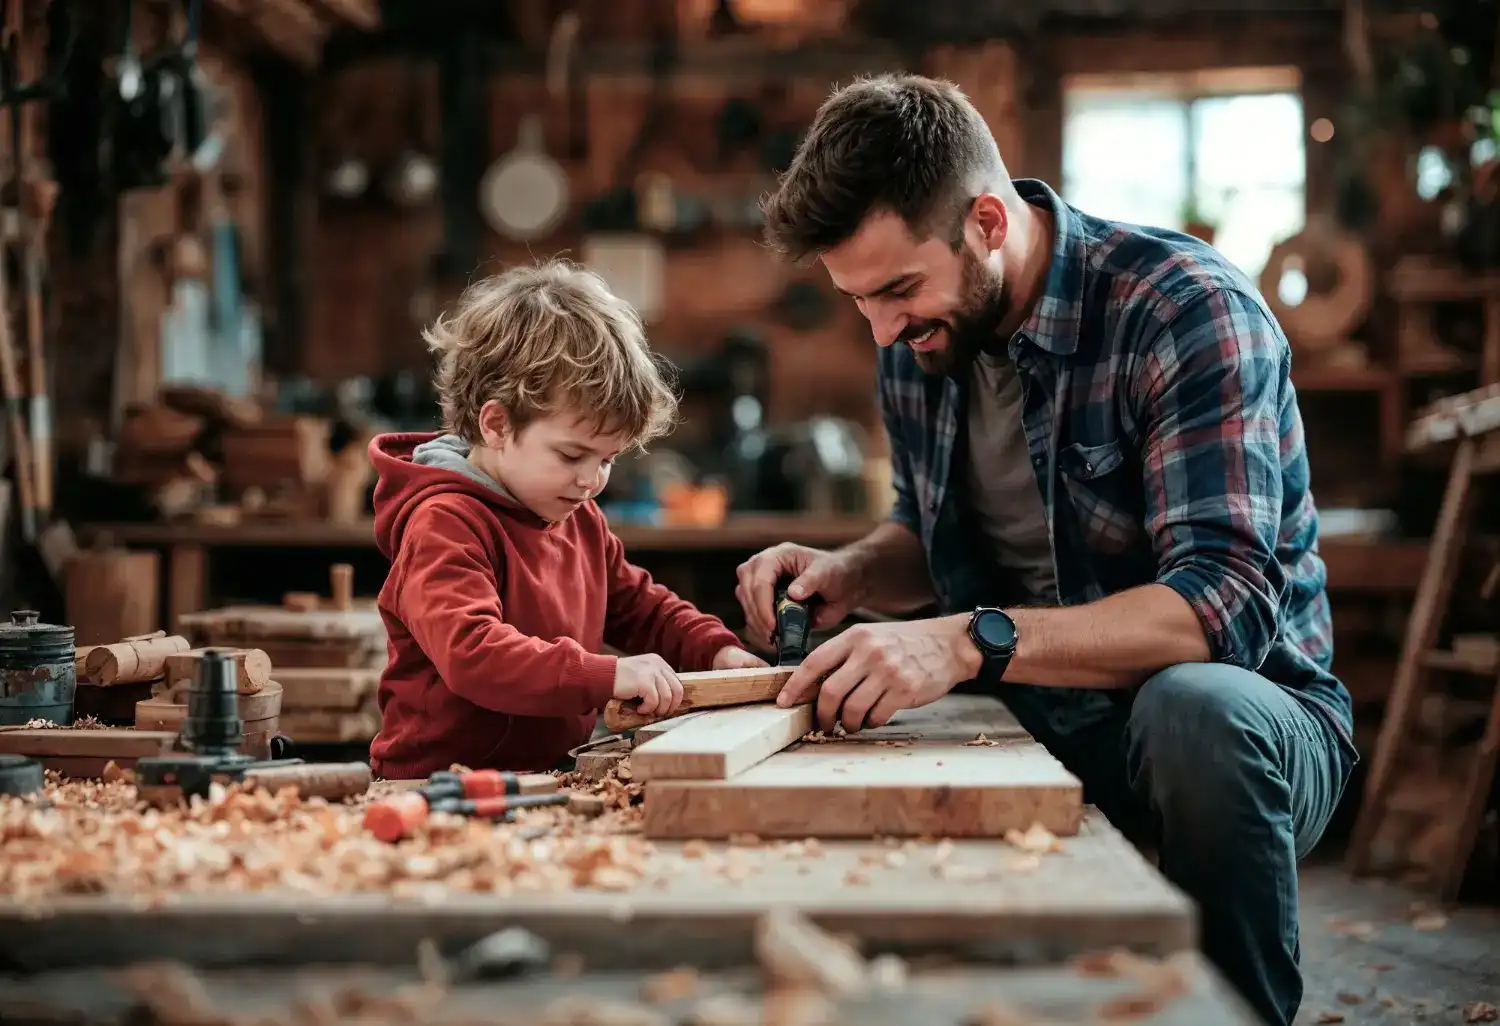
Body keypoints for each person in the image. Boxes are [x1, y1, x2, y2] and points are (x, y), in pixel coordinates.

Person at [735, 73, 1357, 1026]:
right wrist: (852, 573)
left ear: (988, 220)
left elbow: (1218, 606)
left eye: (898, 289)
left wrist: (965, 640)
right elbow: (932, 532)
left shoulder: (1183, 311)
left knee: (1197, 711)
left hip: (1249, 721)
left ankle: (1238, 1009)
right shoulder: (919, 340)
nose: (884, 329)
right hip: (1046, 707)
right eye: (859, 300)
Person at [368, 259, 765, 780]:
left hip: (548, 778)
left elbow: (639, 607)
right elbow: (473, 653)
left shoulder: (576, 515)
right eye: (572, 455)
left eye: (607, 459)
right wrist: (607, 674)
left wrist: (716, 652)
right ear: (496, 424)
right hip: (436, 787)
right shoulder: (444, 521)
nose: (592, 480)